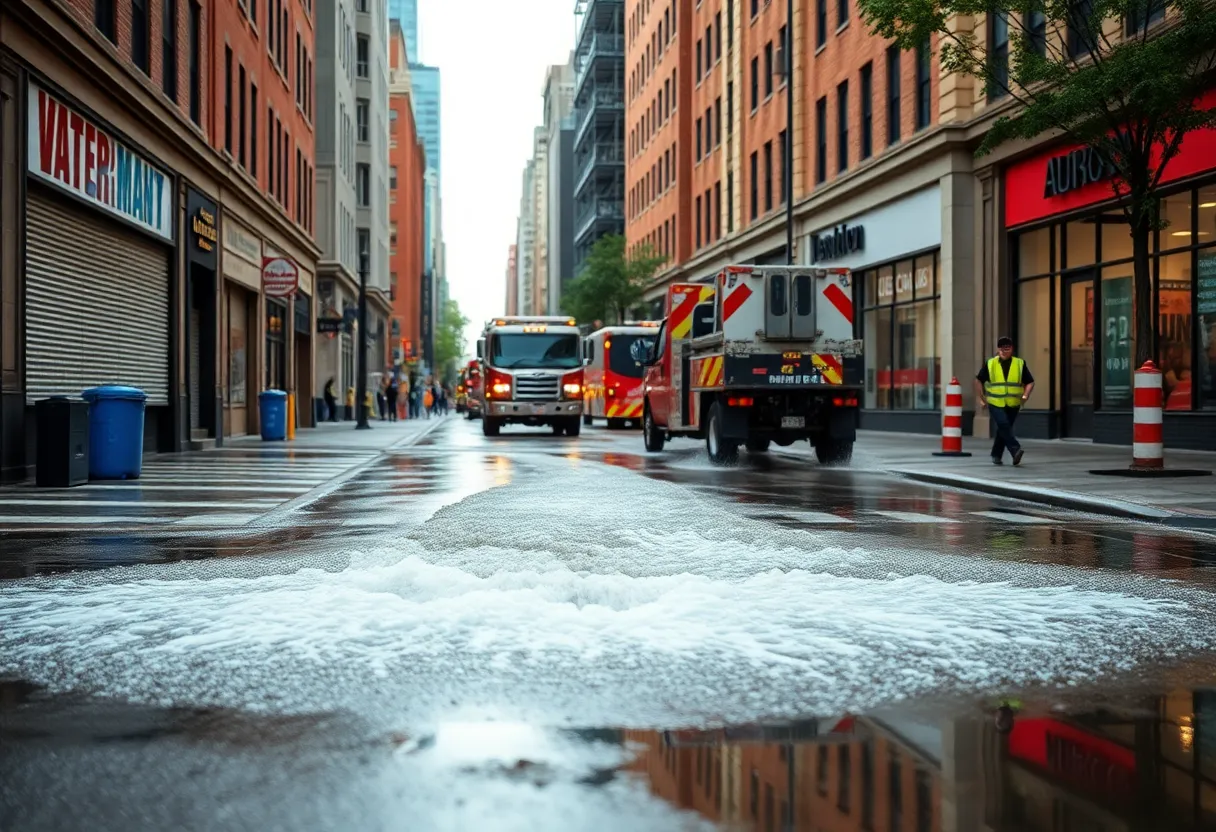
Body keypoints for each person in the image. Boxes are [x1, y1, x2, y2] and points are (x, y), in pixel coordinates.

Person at [974, 336, 1035, 466]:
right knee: (1003, 424)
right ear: (998, 349)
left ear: (1011, 349)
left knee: (1003, 428)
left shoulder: (1019, 363)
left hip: (1013, 403)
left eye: (1006, 348)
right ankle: (1015, 449)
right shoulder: (991, 363)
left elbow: (1030, 382)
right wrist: (981, 397)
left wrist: (1025, 395)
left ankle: (996, 455)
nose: (1003, 351)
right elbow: (979, 380)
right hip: (995, 402)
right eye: (1001, 348)